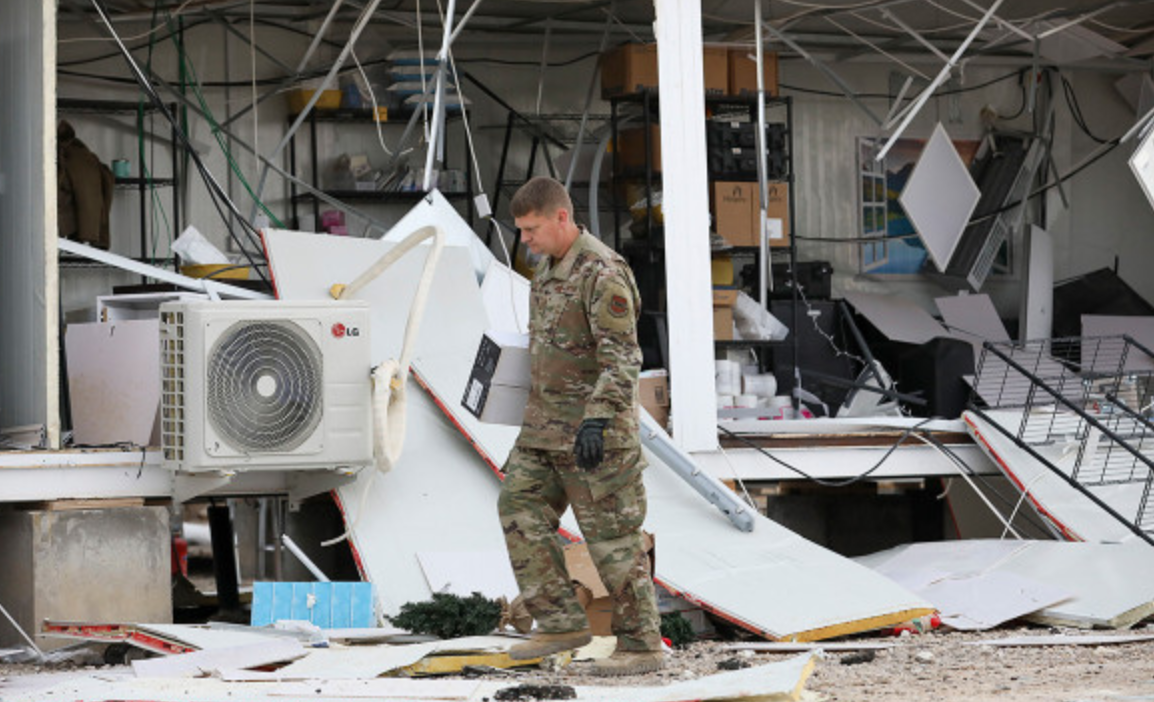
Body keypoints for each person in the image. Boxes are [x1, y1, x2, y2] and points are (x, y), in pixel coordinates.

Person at [497, 176, 663, 677]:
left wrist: (596, 419)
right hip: (543, 430)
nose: (525, 239)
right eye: (521, 230)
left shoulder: (602, 272)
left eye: (531, 229)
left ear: (561, 218)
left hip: (596, 435)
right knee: (518, 507)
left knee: (612, 539)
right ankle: (560, 621)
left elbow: (623, 358)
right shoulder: (547, 270)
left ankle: (642, 645)